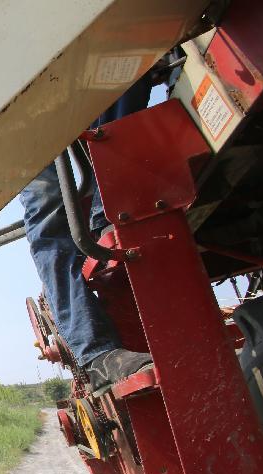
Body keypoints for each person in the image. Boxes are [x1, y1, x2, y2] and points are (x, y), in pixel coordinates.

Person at [19, 74, 158, 395]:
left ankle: (105, 215)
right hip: (14, 105)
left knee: (126, 82)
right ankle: (98, 355)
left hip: (73, 65)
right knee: (47, 211)